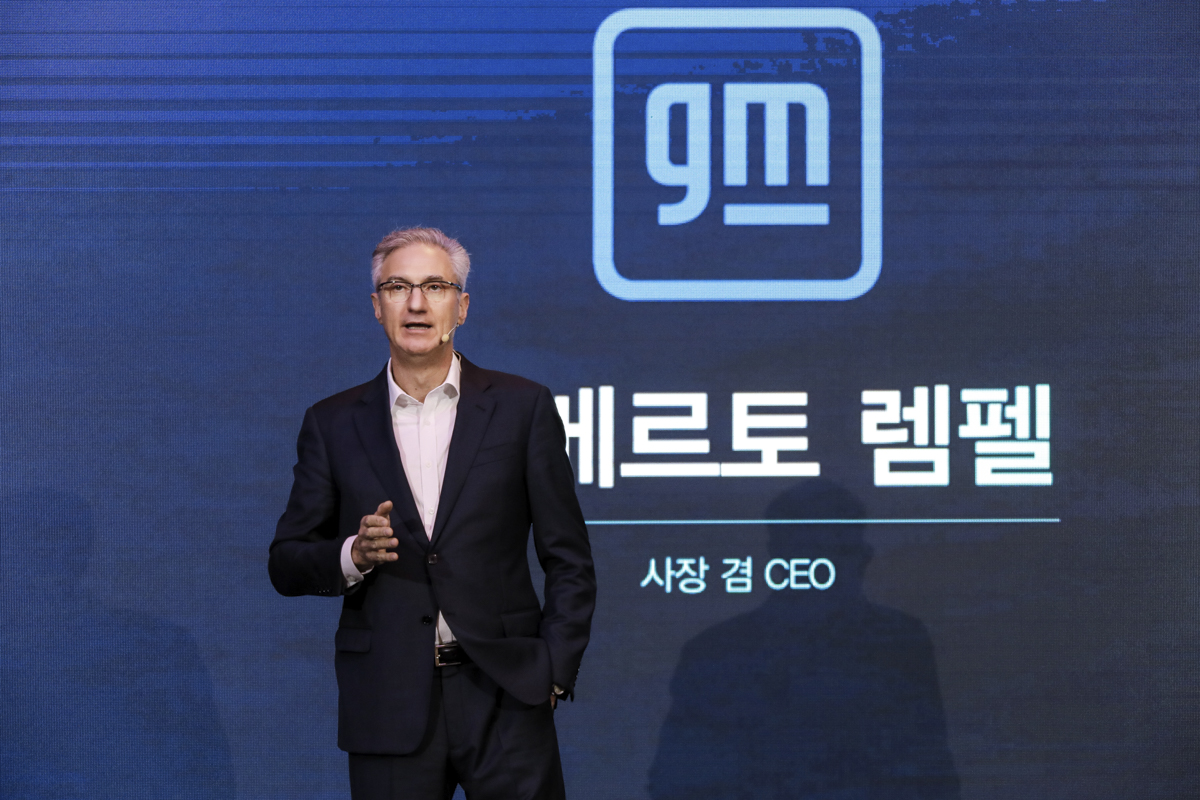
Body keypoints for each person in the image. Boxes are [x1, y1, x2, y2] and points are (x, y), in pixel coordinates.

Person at [269, 227, 596, 800]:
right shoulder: (333, 422)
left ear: (461, 307)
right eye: (398, 287)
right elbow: (287, 561)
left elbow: (568, 557)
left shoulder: (521, 407)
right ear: (377, 307)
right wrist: (353, 554)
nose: (416, 303)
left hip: (506, 693)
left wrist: (552, 670)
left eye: (435, 287)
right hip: (388, 698)